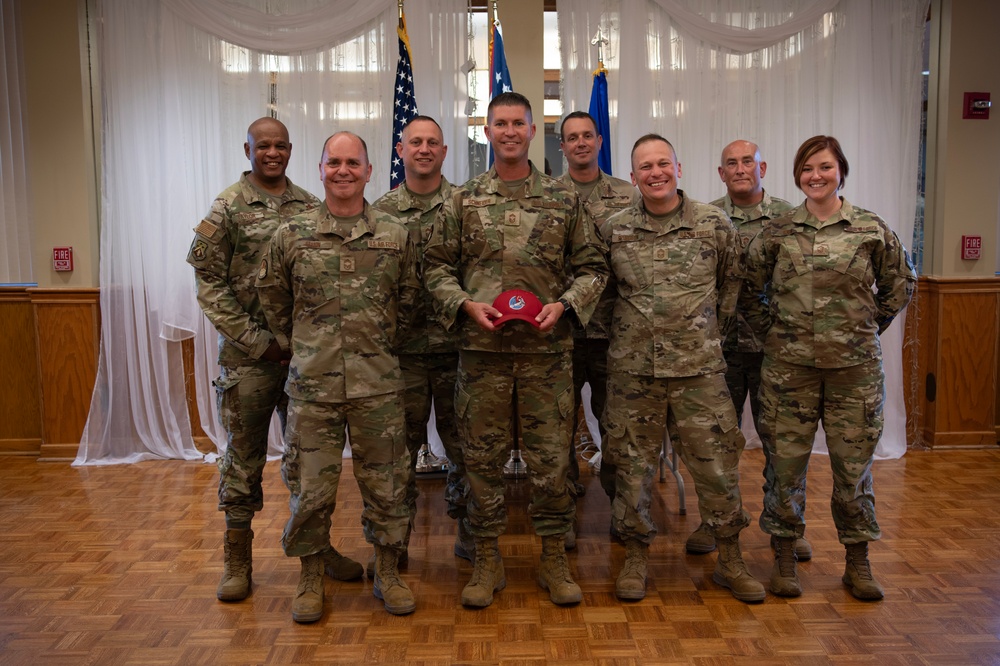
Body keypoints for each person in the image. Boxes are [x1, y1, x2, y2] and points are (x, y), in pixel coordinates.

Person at [424, 92, 608, 608]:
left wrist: (566, 305)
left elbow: (594, 267)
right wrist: (463, 304)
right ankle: (486, 557)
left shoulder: (562, 199)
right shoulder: (461, 201)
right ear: (487, 132)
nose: (508, 132)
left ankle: (553, 556)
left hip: (547, 356)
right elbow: (434, 268)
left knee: (552, 461)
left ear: (533, 131)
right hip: (481, 355)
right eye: (499, 123)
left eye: (518, 124)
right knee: (482, 461)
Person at [186, 117, 362, 604]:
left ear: (291, 150)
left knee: (310, 462)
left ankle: (316, 548)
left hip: (304, 359)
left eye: (280, 145)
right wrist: (258, 340)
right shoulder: (228, 206)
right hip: (250, 360)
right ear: (247, 149)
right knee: (243, 459)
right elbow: (208, 284)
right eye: (263, 145)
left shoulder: (309, 204)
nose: (272, 153)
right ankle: (236, 560)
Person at [256, 132, 420, 621]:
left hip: (379, 383)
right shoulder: (291, 235)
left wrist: (379, 346)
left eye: (354, 162)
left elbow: (409, 303)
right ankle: (310, 574)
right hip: (314, 386)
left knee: (388, 483)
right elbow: (273, 299)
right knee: (310, 487)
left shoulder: (395, 234)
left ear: (370, 171)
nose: (344, 170)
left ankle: (387, 571)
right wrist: (303, 346)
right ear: (321, 169)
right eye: (334, 162)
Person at [744, 135, 916, 600]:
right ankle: (784, 558)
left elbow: (901, 283)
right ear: (798, 175)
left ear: (840, 170)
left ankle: (857, 562)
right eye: (806, 169)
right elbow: (747, 288)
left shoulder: (869, 228)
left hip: (854, 373)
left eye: (823, 167)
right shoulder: (779, 231)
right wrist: (775, 331)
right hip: (789, 372)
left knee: (854, 468)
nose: (815, 176)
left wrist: (862, 328)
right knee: (784, 467)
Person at [601, 134, 764, 603]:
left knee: (717, 468)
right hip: (635, 375)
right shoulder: (615, 229)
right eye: (645, 168)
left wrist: (699, 338)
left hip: (700, 372)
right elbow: (606, 297)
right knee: (632, 469)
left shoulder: (715, 225)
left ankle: (730, 559)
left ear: (679, 166)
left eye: (663, 164)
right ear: (633, 178)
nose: (656, 174)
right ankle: (635, 556)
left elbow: (729, 292)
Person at [684, 140, 809, 559]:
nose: (740, 169)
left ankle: (787, 528)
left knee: (782, 443)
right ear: (721, 173)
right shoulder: (707, 219)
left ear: (763, 167)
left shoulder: (791, 218)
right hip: (720, 351)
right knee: (716, 441)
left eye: (747, 161)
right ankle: (714, 520)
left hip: (776, 350)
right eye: (731, 163)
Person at [371, 116, 472, 569]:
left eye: (433, 142)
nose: (424, 149)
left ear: (445, 152)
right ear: (400, 150)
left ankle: (470, 534)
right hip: (402, 354)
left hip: (458, 350)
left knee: (468, 448)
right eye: (416, 142)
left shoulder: (467, 204)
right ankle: (393, 546)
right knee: (396, 455)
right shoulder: (380, 212)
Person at [557, 111, 637, 533]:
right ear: (562, 146)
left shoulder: (629, 196)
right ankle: (564, 509)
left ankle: (621, 511)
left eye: (588, 135)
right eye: (572, 137)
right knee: (559, 426)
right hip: (562, 332)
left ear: (600, 141)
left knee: (617, 426)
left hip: (615, 332)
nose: (581, 143)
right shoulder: (548, 196)